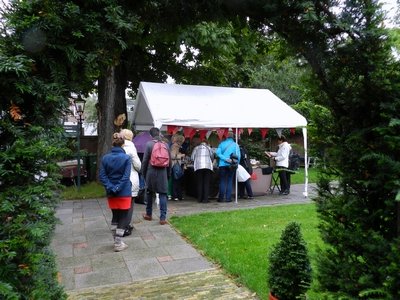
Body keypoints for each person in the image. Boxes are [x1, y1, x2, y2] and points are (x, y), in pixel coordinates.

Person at [99, 132, 132, 252]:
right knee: (124, 216)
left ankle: (116, 240)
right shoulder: (126, 158)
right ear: (123, 144)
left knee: (115, 216)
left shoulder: (105, 158)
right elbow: (126, 176)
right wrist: (118, 187)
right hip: (123, 191)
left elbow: (102, 176)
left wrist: (111, 187)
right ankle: (118, 243)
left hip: (111, 192)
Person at [141, 127, 171, 225]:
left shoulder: (149, 144)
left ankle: (148, 214)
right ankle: (162, 218)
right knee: (162, 194)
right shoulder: (166, 145)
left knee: (149, 193)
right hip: (162, 172)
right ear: (159, 134)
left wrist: (143, 173)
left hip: (151, 171)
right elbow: (169, 162)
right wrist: (168, 174)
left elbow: (145, 160)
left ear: (150, 135)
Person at [120, 129, 141, 235]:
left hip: (117, 179)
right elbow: (138, 165)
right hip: (130, 179)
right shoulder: (132, 148)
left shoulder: (117, 146)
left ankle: (118, 223)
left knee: (119, 202)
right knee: (129, 204)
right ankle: (126, 226)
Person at [215, 131, 240, 202]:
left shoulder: (222, 144)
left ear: (226, 136)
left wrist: (225, 159)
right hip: (232, 165)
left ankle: (221, 198)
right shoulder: (236, 145)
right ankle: (228, 198)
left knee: (222, 181)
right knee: (229, 181)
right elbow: (238, 156)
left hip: (222, 164)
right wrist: (236, 163)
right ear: (233, 137)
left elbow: (218, 153)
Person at [191, 139, 214, 203]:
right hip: (208, 166)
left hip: (198, 167)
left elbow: (192, 158)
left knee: (199, 183)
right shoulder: (209, 148)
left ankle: (199, 199)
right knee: (206, 183)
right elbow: (212, 157)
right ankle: (205, 199)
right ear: (206, 143)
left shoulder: (196, 148)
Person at [170, 134, 185, 201]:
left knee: (177, 180)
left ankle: (178, 195)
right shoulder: (175, 146)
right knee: (176, 180)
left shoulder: (177, 146)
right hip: (175, 164)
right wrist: (181, 155)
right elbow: (172, 156)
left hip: (176, 164)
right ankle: (176, 195)